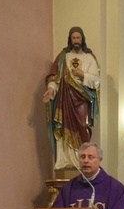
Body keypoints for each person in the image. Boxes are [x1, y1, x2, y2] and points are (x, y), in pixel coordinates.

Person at [42, 26, 100, 172]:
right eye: (73, 38)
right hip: (65, 98)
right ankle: (66, 160)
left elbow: (97, 81)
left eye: (78, 38)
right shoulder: (63, 57)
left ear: (82, 39)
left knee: (83, 127)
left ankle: (80, 160)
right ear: (70, 39)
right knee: (63, 128)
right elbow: (55, 77)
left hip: (82, 99)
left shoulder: (89, 58)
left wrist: (82, 75)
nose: (76, 40)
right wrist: (51, 89)